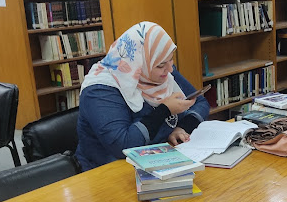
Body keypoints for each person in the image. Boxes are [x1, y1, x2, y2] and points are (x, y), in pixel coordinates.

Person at [75, 21, 209, 171]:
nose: (170, 69)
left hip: (158, 163)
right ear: (139, 62)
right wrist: (164, 110)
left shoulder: (161, 73)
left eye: (171, 59)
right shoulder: (100, 91)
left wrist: (181, 128)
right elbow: (122, 146)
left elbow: (200, 102)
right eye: (160, 65)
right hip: (108, 172)